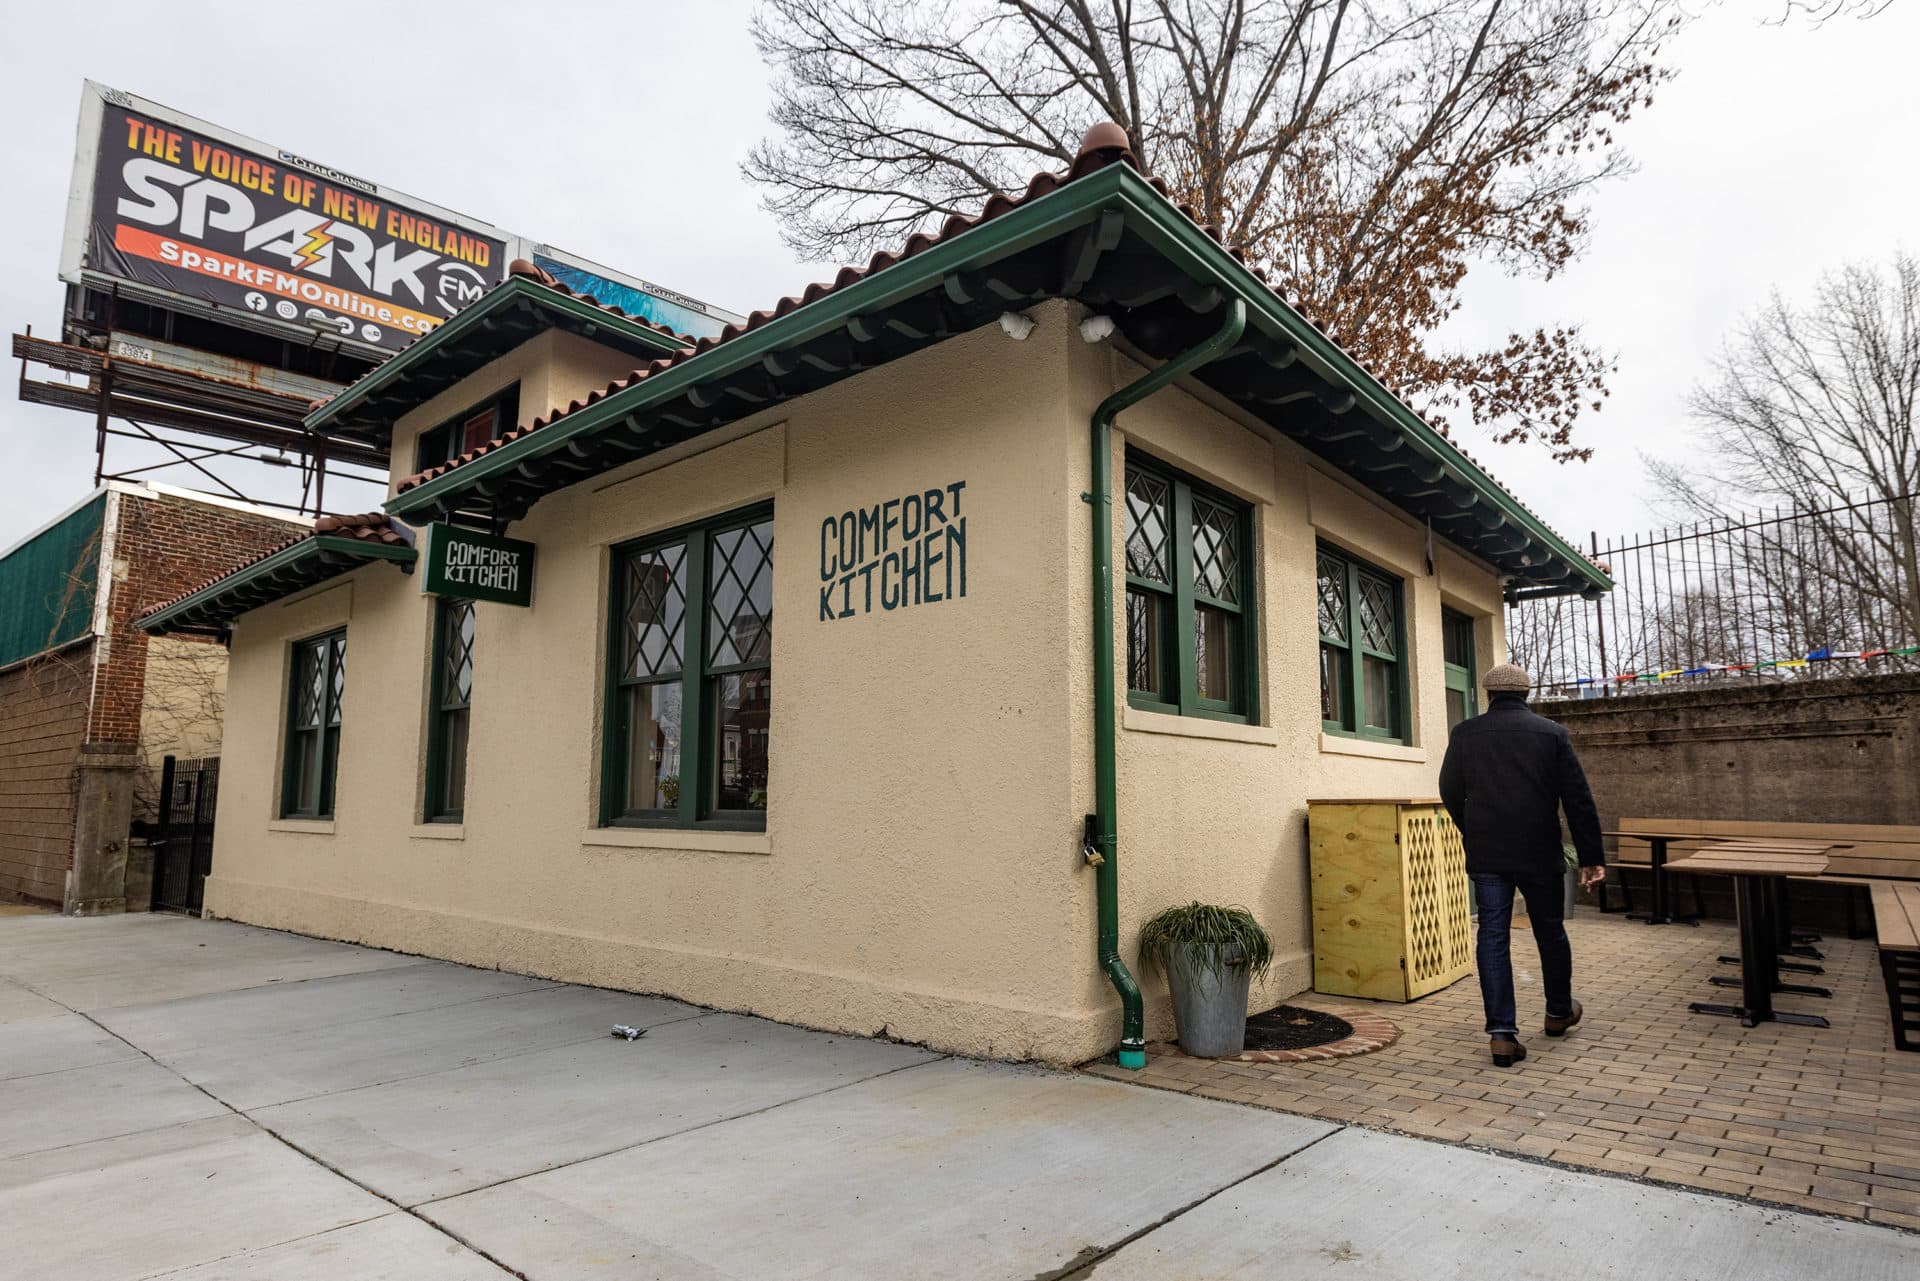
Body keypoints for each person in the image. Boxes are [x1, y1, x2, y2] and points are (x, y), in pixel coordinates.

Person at [1438, 663, 1606, 1068]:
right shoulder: (1552, 734)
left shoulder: (1465, 734)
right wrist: (1591, 857)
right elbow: (1577, 798)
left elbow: (1449, 790)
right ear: (1526, 694)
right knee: (1550, 930)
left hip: (1489, 853)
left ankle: (1501, 1034)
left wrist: (1473, 830)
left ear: (1488, 693)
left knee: (1492, 936)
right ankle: (1557, 1012)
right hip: (1539, 851)